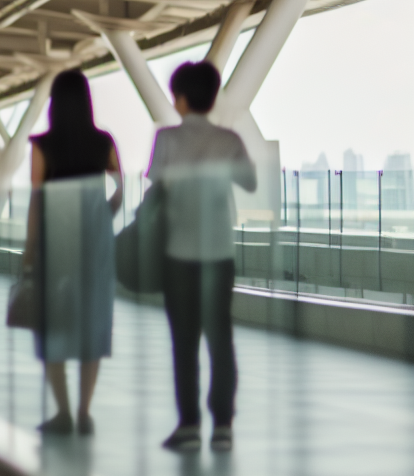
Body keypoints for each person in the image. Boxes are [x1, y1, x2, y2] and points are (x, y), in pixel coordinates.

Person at [149, 61, 256, 453]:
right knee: (220, 339)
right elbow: (249, 182)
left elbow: (157, 188)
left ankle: (189, 425)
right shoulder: (229, 140)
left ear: (179, 98)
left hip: (178, 252)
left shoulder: (166, 139)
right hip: (219, 252)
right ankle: (224, 425)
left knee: (184, 342)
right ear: (212, 98)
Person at [26, 69, 123, 436]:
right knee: (92, 324)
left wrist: (29, 253)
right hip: (95, 243)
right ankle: (84, 412)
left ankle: (64, 412)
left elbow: (37, 202)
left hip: (57, 240)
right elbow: (120, 189)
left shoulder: (42, 145)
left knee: (53, 325)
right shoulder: (103, 142)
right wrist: (104, 214)